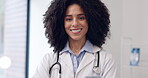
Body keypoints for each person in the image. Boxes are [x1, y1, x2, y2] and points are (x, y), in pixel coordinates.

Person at [33, 0, 116, 78]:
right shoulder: (50, 60)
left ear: (91, 20)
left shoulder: (105, 60)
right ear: (60, 23)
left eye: (81, 18)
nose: (75, 23)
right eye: (69, 19)